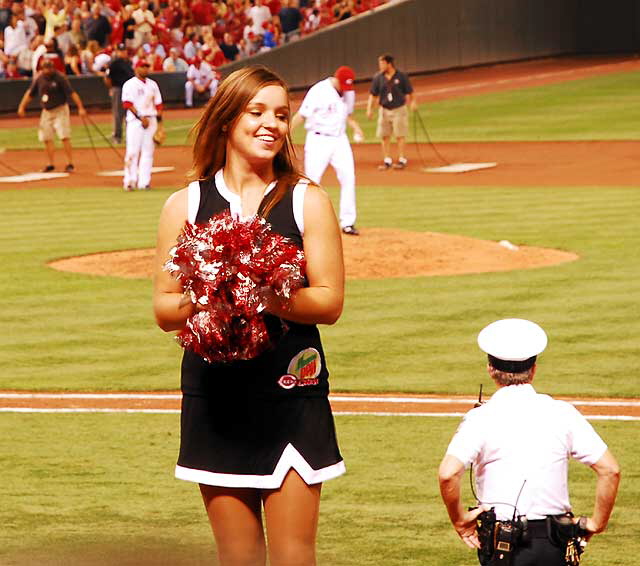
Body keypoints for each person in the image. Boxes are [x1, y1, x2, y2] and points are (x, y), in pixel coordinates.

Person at [152, 64, 345, 566]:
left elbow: (328, 301)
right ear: (226, 121)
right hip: (216, 399)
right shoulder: (185, 204)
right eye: (256, 112)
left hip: (292, 395)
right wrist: (214, 289)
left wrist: (260, 290)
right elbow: (164, 309)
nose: (272, 124)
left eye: (281, 114)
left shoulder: (307, 199)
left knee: (293, 558)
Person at [438, 319, 620, 566]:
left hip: (504, 547)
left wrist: (460, 520)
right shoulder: (563, 413)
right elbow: (610, 470)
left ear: (490, 369)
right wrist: (597, 523)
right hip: (555, 545)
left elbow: (448, 474)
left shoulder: (480, 418)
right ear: (533, 369)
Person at [290, 65, 364, 236]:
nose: (346, 90)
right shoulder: (318, 91)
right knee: (312, 182)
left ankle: (348, 222)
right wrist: (286, 135)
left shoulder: (348, 92)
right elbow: (301, 115)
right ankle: (304, 222)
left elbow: (347, 114)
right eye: (344, 85)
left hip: (340, 139)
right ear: (336, 79)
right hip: (318, 140)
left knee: (348, 177)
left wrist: (355, 127)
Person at [17, 59, 87, 172]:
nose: (48, 70)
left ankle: (70, 163)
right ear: (42, 68)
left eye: (49, 67)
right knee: (46, 137)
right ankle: (50, 164)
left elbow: (71, 93)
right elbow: (30, 93)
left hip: (60, 109)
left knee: (64, 136)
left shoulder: (60, 78)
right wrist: (22, 106)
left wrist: (81, 107)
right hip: (46, 111)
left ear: (53, 67)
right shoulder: (39, 79)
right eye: (45, 68)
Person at [366, 53, 415, 170]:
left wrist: (413, 102)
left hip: (399, 109)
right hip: (384, 110)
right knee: (384, 135)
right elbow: (372, 95)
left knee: (400, 134)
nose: (380, 66)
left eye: (382, 63)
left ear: (389, 64)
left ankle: (402, 159)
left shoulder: (401, 76)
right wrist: (369, 109)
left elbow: (410, 91)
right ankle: (387, 160)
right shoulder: (378, 77)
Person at [121, 58, 163, 190]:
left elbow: (159, 104)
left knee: (148, 152)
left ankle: (144, 182)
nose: (145, 69)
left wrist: (160, 124)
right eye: (142, 66)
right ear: (136, 68)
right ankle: (129, 181)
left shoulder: (153, 85)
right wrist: (140, 117)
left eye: (146, 66)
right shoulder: (129, 84)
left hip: (151, 120)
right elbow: (127, 103)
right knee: (132, 151)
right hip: (135, 121)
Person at [104, 42, 134, 144]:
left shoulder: (128, 63)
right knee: (118, 114)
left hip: (129, 91)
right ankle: (117, 137)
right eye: (121, 50)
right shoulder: (114, 63)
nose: (123, 52)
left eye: (124, 50)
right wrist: (111, 89)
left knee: (129, 113)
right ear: (117, 52)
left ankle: (130, 136)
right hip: (118, 89)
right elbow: (107, 78)